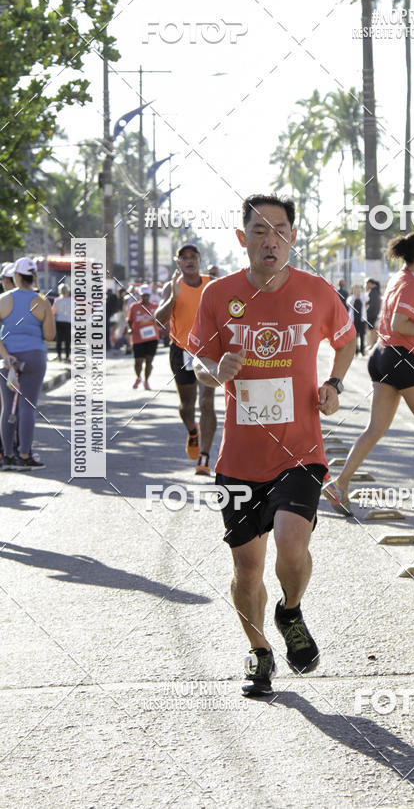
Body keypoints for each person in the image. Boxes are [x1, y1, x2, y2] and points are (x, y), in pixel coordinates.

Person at [189, 194, 355, 696]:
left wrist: (334, 384)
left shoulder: (316, 291)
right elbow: (198, 361)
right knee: (246, 568)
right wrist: (216, 370)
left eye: (280, 231)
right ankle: (259, 652)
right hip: (240, 460)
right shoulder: (218, 295)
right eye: (260, 231)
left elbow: (346, 340)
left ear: (293, 238)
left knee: (291, 542)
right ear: (243, 238)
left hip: (300, 452)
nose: (271, 241)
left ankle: (291, 610)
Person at [323, 232, 414, 515]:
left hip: (381, 355)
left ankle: (339, 485)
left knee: (375, 428)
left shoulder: (398, 279)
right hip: (400, 358)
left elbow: (399, 320)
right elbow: (399, 324)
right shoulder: (412, 284)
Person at [155, 244, 216, 476]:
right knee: (187, 406)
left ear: (200, 260)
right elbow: (159, 321)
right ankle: (192, 431)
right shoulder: (172, 286)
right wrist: (173, 296)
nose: (189, 260)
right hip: (181, 350)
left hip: (208, 351)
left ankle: (205, 457)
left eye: (193, 256)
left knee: (206, 403)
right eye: (184, 257)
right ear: (178, 262)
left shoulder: (212, 284)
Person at [0, 257, 55, 469]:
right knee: (27, 406)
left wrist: (6, 355)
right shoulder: (42, 301)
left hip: (8, 359)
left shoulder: (3, 299)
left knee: (7, 406)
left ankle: (7, 455)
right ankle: (24, 456)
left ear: (16, 275)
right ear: (34, 276)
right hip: (34, 357)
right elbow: (50, 335)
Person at [127, 285, 160, 390]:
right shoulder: (134, 307)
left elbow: (161, 319)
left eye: (147, 295)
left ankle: (146, 381)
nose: (145, 297)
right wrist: (130, 329)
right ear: (140, 295)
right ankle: (138, 377)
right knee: (138, 361)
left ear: (149, 295)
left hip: (152, 338)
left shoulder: (155, 306)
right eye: (143, 295)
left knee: (149, 361)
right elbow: (129, 320)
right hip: (138, 338)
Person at [52, 283, 72, 363]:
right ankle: (67, 357)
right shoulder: (71, 301)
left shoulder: (57, 300)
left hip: (59, 321)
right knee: (68, 340)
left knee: (59, 340)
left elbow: (53, 311)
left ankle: (59, 356)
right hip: (68, 321)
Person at [348, 284, 366, 355]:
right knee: (354, 335)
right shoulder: (351, 298)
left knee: (362, 335)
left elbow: (367, 298)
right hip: (354, 319)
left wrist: (361, 293)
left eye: (358, 289)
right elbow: (348, 303)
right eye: (355, 289)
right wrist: (354, 296)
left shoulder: (363, 296)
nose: (357, 291)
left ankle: (362, 350)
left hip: (361, 319)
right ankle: (356, 349)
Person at [365, 279, 381, 348]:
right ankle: (373, 345)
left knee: (371, 330)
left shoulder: (372, 291)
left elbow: (372, 304)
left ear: (370, 283)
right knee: (374, 330)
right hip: (375, 314)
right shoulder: (377, 291)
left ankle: (372, 345)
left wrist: (367, 310)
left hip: (371, 314)